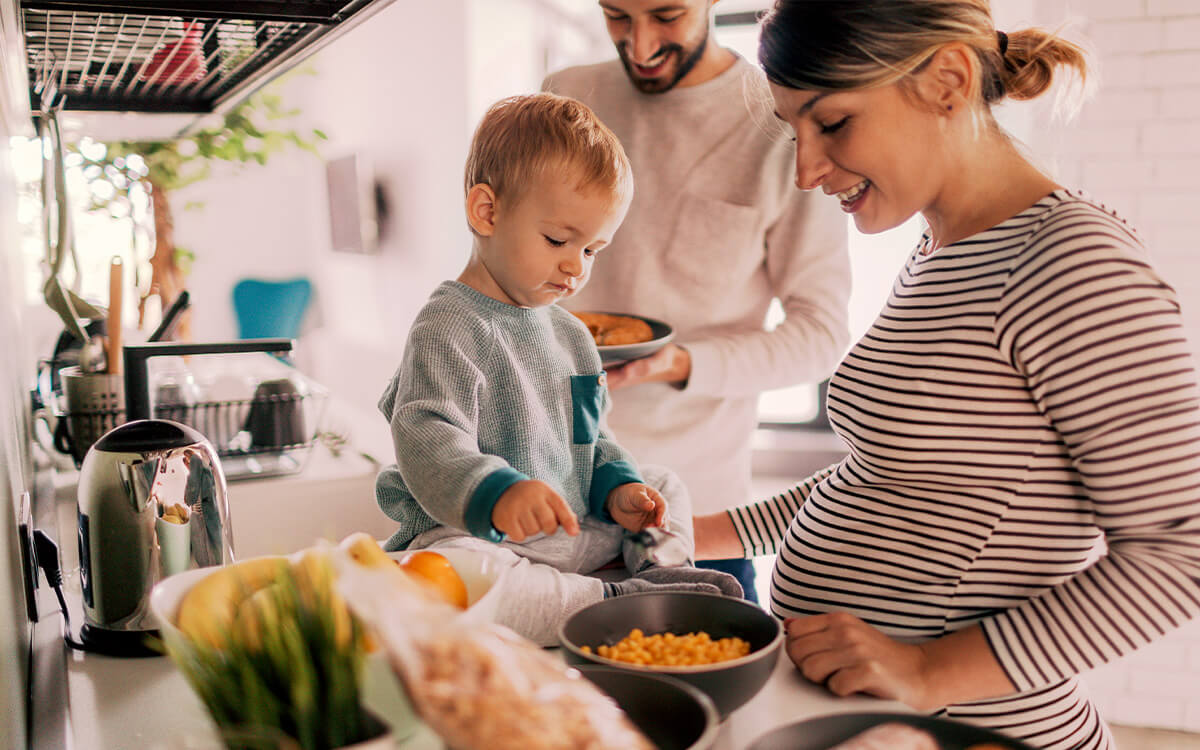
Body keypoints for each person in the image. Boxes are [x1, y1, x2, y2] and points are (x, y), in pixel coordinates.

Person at [694, 2, 1200, 748]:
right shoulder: (943, 249)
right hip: (870, 721)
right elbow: (890, 479)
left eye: (831, 123)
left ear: (947, 81)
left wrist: (930, 670)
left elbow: (1177, 552)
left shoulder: (1072, 264)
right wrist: (697, 532)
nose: (804, 171)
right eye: (791, 130)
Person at [374, 93, 741, 647]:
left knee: (664, 482)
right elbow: (427, 434)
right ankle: (614, 603)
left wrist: (620, 490)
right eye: (558, 240)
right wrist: (496, 493)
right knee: (453, 581)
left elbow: (594, 439)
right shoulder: (446, 325)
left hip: (568, 527)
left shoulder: (570, 334)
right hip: (480, 536)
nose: (575, 266)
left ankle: (656, 570)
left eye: (593, 250)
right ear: (487, 212)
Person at [543, 0, 852, 604]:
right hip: (557, 500)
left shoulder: (783, 119)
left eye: (666, 15)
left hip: (696, 514)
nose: (639, 46)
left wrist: (680, 363)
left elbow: (820, 335)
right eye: (616, 16)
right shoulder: (567, 97)